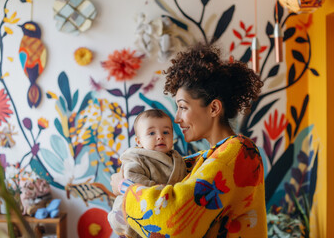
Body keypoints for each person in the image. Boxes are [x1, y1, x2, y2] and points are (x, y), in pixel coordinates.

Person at [110, 42, 267, 238]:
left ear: (213, 109)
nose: (176, 118)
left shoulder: (238, 151)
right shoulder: (208, 157)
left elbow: (173, 219)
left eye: (183, 107)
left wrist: (124, 187)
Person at [108, 109, 188, 238]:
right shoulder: (137, 157)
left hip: (167, 216)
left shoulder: (177, 160)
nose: (160, 136)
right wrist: (158, 190)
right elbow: (133, 180)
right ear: (139, 141)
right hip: (137, 213)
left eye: (166, 132)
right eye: (151, 133)